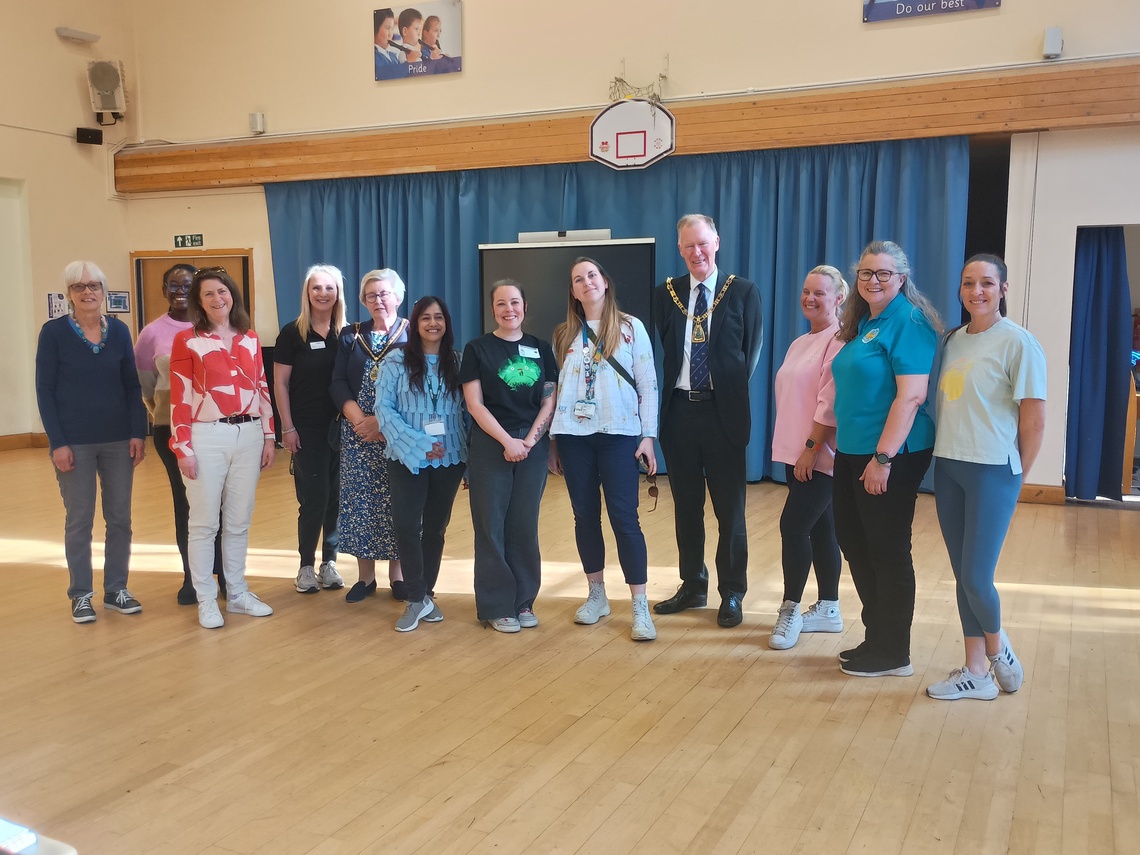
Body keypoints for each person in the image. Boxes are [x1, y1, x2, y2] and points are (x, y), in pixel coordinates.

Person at [926, 254, 1045, 700]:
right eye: (969, 283)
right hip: (949, 466)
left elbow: (1034, 423)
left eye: (987, 284)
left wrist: (1015, 479)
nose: (977, 291)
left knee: (977, 577)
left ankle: (999, 651)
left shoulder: (1019, 343)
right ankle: (975, 671)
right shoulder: (953, 341)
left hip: (994, 471)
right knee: (962, 575)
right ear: (961, 290)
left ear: (1003, 290)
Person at [831, 240, 942, 677]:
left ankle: (894, 651)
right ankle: (877, 636)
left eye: (883, 274)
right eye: (865, 273)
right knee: (855, 542)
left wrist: (883, 457)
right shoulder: (865, 324)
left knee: (887, 549)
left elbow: (912, 395)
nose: (873, 280)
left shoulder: (909, 321)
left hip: (892, 452)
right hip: (853, 450)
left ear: (901, 279)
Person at [652, 214, 763, 628]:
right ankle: (693, 584)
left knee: (730, 511)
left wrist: (727, 395)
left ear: (716, 242)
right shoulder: (667, 294)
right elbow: (660, 354)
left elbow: (749, 352)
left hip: (723, 415)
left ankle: (732, 591)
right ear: (679, 249)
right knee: (687, 507)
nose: (696, 252)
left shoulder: (743, 292)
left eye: (702, 243)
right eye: (687, 246)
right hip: (679, 412)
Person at [549, 258, 659, 641]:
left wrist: (649, 436)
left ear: (605, 283)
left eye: (591, 275)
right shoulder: (564, 334)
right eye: (578, 279)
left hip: (620, 433)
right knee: (584, 517)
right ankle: (597, 595)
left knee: (625, 519)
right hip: (573, 437)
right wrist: (552, 441)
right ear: (573, 291)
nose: (586, 283)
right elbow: (557, 392)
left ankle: (640, 606)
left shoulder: (630, 328)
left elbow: (648, 384)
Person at [35, 260, 148, 623]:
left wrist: (137, 432)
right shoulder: (53, 334)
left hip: (118, 439)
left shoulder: (118, 331)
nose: (88, 292)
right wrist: (57, 442)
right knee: (79, 520)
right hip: (74, 443)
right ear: (69, 294)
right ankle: (81, 594)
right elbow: (45, 390)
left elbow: (132, 385)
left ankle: (116, 588)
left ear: (103, 291)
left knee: (119, 519)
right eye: (79, 287)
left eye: (94, 286)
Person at [169, 267, 276, 629]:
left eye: (223, 292)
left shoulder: (249, 338)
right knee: (203, 523)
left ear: (233, 295)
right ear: (199, 303)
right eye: (209, 294)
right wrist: (182, 447)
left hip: (247, 436)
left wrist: (268, 435)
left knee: (238, 521)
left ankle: (238, 594)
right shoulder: (188, 341)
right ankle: (205, 599)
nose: (218, 299)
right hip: (206, 436)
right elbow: (180, 396)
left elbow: (262, 388)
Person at [461, 281, 557, 633]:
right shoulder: (477, 348)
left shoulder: (541, 348)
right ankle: (497, 606)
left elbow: (549, 399)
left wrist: (529, 441)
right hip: (490, 445)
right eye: (501, 304)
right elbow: (474, 404)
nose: (508, 309)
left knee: (524, 526)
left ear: (525, 306)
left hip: (532, 445)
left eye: (514, 302)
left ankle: (523, 602)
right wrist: (506, 440)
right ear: (493, 310)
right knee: (491, 527)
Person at [136, 263, 226, 604]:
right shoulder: (152, 333)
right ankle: (193, 576)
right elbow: (146, 385)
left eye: (187, 285)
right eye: (172, 286)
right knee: (186, 503)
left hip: (215, 428)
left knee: (220, 503)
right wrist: (163, 411)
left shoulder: (217, 324)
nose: (179, 292)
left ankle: (224, 574)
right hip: (171, 430)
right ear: (163, 291)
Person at [375, 296, 467, 632]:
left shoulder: (458, 361)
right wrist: (420, 445)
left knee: (436, 529)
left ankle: (426, 593)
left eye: (439, 317)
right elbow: (384, 411)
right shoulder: (395, 362)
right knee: (405, 525)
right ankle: (414, 598)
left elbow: (469, 412)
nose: (433, 323)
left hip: (450, 458)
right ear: (415, 324)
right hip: (406, 457)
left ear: (447, 323)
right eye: (425, 317)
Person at [768, 266, 848, 650]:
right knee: (821, 529)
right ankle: (830, 608)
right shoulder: (801, 342)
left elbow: (829, 403)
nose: (810, 298)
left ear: (839, 299)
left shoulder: (839, 340)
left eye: (820, 293)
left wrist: (812, 449)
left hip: (817, 454)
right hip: (794, 451)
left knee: (793, 527)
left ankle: (790, 609)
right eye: (806, 291)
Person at [330, 269, 407, 603]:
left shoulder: (412, 334)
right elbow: (337, 382)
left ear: (398, 297)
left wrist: (383, 421)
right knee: (361, 503)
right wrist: (360, 420)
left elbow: (417, 384)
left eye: (384, 293)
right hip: (358, 433)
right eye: (371, 295)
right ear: (363, 300)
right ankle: (365, 578)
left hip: (399, 432)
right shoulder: (350, 335)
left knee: (400, 501)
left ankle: (399, 577)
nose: (379, 300)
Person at [273, 264, 348, 595]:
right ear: (307, 293)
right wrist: (287, 427)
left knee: (336, 498)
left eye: (329, 288)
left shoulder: (347, 333)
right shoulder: (292, 333)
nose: (322, 294)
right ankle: (305, 565)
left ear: (338, 293)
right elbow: (280, 383)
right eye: (316, 288)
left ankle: (328, 562)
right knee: (314, 498)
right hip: (305, 428)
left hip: (344, 428)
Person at [374, 8, 402, 80]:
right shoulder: (374, 56)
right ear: (375, 29)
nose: (390, 34)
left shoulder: (393, 55)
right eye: (387, 28)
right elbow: (390, 75)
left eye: (392, 29)